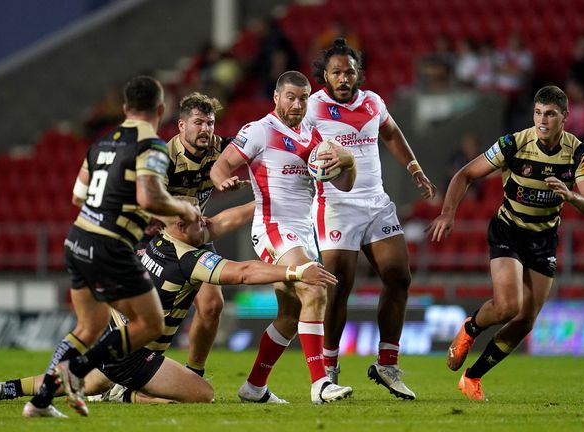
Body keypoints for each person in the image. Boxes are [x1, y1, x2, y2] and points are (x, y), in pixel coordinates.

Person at [0, 199, 337, 406]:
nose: (206, 223)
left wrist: (268, 199)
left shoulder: (158, 244)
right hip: (136, 356)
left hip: (116, 338)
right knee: (202, 395)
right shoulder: (188, 259)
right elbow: (242, 272)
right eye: (199, 219)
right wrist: (293, 273)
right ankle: (130, 397)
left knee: (83, 382)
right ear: (183, 226)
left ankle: (5, 388)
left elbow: (227, 222)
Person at [22, 75, 201, 418]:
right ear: (160, 110)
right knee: (149, 323)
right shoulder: (152, 145)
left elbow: (78, 195)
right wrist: (183, 208)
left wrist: (130, 211)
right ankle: (76, 371)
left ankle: (41, 401)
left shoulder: (101, 144)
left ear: (124, 109)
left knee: (89, 326)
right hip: (109, 247)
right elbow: (149, 195)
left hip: (77, 240)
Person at [426, 85, 584, 401]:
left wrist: (571, 196)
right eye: (538, 113)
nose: (542, 120)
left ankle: (473, 377)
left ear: (565, 116)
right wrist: (448, 213)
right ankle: (471, 328)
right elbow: (465, 174)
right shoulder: (514, 144)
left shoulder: (578, 154)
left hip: (543, 240)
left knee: (524, 322)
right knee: (509, 306)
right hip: (509, 230)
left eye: (550, 114)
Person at [211, 70, 357, 404]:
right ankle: (320, 384)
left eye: (303, 98)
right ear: (276, 97)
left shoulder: (315, 137)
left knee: (291, 316)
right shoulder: (259, 131)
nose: (296, 104)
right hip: (273, 228)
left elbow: (345, 183)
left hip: (305, 233)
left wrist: (347, 162)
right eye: (290, 97)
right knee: (313, 287)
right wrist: (222, 181)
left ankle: (254, 387)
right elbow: (221, 166)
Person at [305, 38, 436, 401]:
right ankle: (328, 370)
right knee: (339, 286)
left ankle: (387, 364)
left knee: (399, 276)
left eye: (349, 71)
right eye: (336, 73)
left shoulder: (373, 102)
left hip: (376, 202)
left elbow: (390, 132)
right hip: (336, 204)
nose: (344, 78)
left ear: (358, 72)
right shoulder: (313, 107)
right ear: (325, 77)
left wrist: (414, 168)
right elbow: (293, 140)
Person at [163, 92, 228, 379]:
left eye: (210, 123)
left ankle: (194, 373)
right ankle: (113, 372)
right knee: (148, 314)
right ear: (181, 126)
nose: (206, 129)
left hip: (197, 237)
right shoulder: (163, 158)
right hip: (158, 239)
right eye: (198, 122)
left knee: (212, 304)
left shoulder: (220, 149)